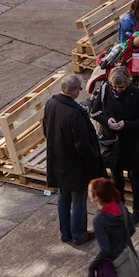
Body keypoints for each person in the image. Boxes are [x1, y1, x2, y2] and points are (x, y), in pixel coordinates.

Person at [43, 74, 103, 245]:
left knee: (63, 197)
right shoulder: (75, 114)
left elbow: (46, 130)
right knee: (78, 199)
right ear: (76, 92)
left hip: (57, 159)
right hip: (75, 165)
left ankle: (65, 233)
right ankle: (79, 235)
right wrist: (94, 159)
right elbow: (82, 145)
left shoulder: (51, 104)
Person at [90, 67, 139, 225]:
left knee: (134, 174)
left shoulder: (136, 94)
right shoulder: (104, 90)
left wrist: (126, 124)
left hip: (131, 140)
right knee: (116, 175)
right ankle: (120, 206)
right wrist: (107, 120)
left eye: (121, 87)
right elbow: (94, 112)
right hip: (112, 141)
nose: (117, 90)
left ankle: (137, 209)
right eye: (115, 87)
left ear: (128, 83)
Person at [87, 177, 139, 277]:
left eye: (89, 191)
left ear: (96, 197)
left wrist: (92, 267)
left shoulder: (99, 220)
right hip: (130, 260)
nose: (87, 193)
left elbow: (105, 249)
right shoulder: (122, 207)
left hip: (116, 269)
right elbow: (131, 229)